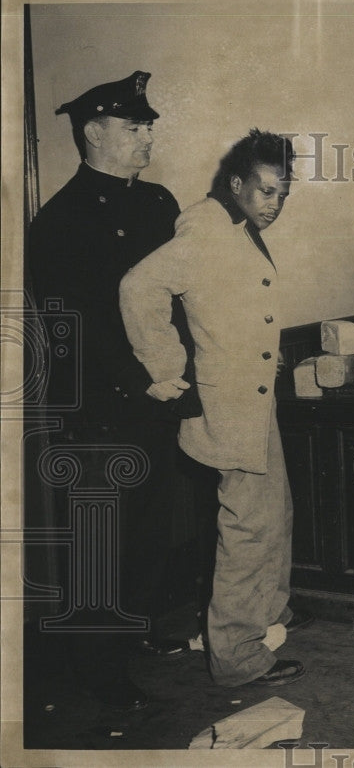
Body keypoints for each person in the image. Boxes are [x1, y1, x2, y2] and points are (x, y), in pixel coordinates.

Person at [27, 71, 195, 710]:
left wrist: (184, 372)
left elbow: (180, 295)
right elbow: (80, 326)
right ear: (94, 132)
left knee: (151, 525)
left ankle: (144, 629)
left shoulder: (157, 204)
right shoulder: (60, 221)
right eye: (134, 126)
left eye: (148, 124)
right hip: (103, 403)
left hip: (161, 391)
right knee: (99, 536)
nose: (148, 134)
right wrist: (140, 382)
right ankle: (98, 668)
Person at [119, 129, 309, 687]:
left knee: (274, 512)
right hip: (226, 404)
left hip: (252, 398)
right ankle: (236, 656)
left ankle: (269, 614)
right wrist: (168, 372)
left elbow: (230, 306)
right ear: (235, 184)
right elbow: (138, 287)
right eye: (266, 191)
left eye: (283, 193)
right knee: (248, 525)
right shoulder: (206, 229)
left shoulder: (236, 226)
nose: (274, 205)